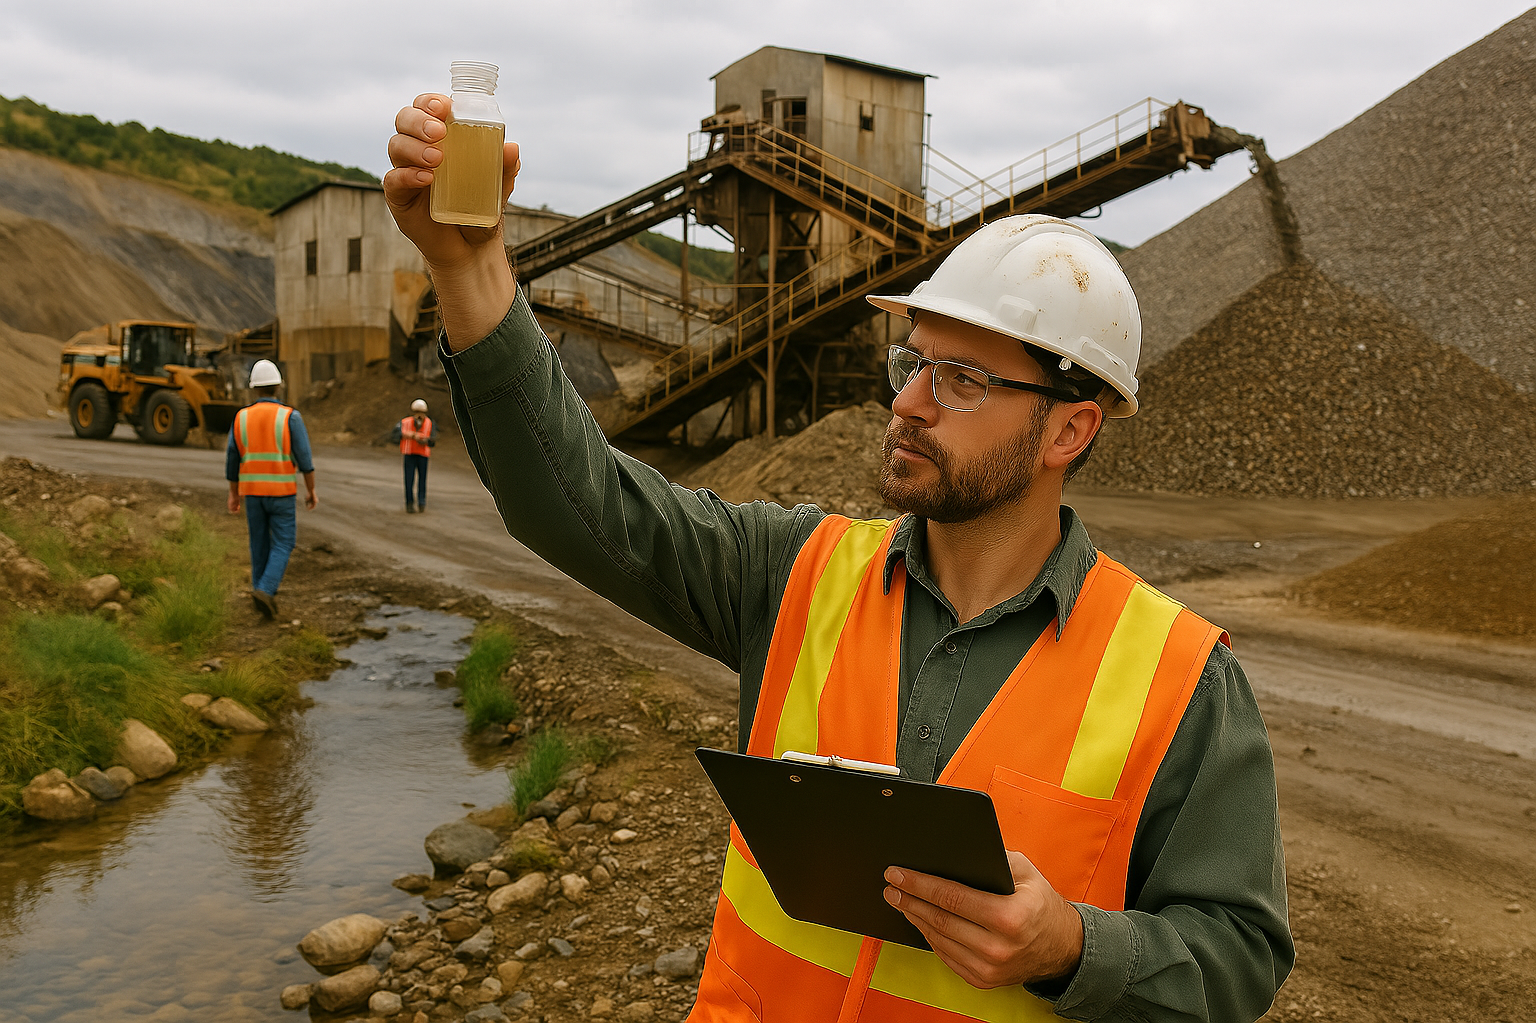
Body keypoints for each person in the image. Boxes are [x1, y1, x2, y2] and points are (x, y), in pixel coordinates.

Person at [385, 94, 1293, 1022]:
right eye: (913, 364)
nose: (909, 403)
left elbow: (1238, 956)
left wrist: (1073, 947)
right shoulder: (797, 575)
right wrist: (470, 263)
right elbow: (578, 504)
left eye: (963, 380)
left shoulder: (1178, 680)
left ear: (1069, 429)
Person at [226, 358, 317, 620]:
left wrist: (233, 493)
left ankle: (261, 594)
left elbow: (233, 458)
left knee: (259, 544)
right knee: (284, 543)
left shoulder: (241, 417)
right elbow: (305, 461)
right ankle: (265, 590)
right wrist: (311, 491)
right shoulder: (290, 417)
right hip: (281, 493)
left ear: (254, 389)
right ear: (278, 387)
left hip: (252, 492)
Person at [391, 397, 438, 512]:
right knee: (409, 479)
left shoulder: (430, 423)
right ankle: (409, 503)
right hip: (409, 453)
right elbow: (394, 436)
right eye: (417, 412)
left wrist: (424, 440)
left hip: (423, 454)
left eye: (421, 413)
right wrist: (411, 435)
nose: (419, 415)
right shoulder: (405, 422)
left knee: (422, 480)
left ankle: (422, 502)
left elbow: (433, 441)